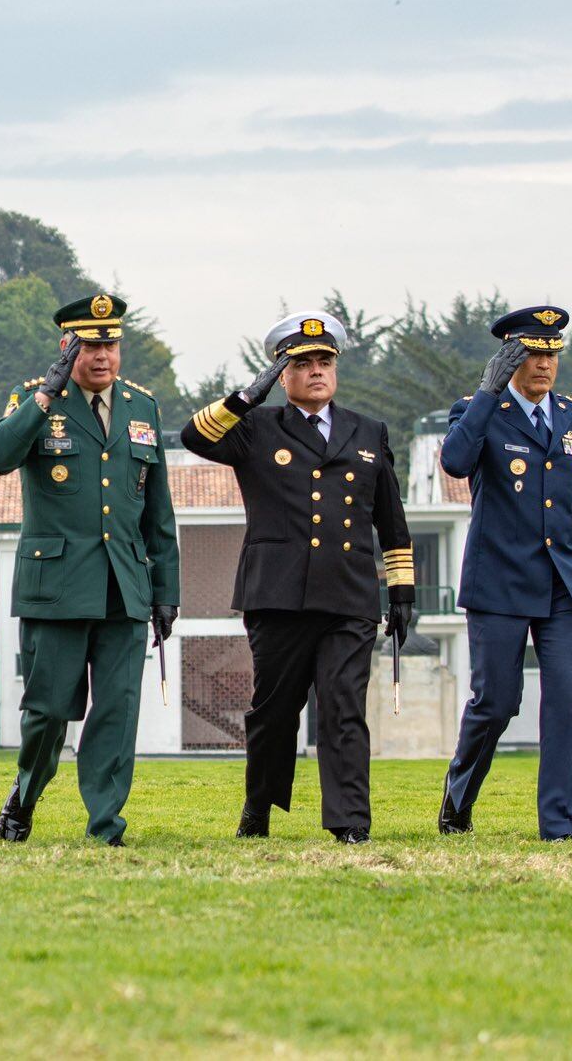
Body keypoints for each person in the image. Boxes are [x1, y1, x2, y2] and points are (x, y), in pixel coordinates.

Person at [181, 311, 414, 843]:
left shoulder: (368, 431)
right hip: (277, 594)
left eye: (324, 361)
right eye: (302, 363)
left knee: (344, 707)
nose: (316, 371)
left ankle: (350, 822)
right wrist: (246, 397)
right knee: (275, 712)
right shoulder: (256, 428)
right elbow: (195, 437)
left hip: (349, 595)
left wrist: (401, 592)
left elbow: (391, 519)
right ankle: (259, 804)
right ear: (282, 374)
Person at [0, 293, 179, 847]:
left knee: (117, 712)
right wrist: (45, 395)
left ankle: (105, 825)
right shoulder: (36, 398)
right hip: (58, 588)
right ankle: (26, 794)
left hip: (124, 588)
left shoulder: (142, 406)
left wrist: (165, 591)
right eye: (90, 346)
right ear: (67, 347)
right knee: (48, 712)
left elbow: (158, 511)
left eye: (111, 345)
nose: (102, 356)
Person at [438, 306, 572, 840]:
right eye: (532, 353)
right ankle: (459, 795)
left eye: (551, 354)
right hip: (500, 581)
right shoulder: (477, 410)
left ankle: (562, 826)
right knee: (497, 702)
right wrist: (487, 392)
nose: (544, 364)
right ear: (509, 358)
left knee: (566, 701)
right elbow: (454, 462)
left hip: (566, 583)